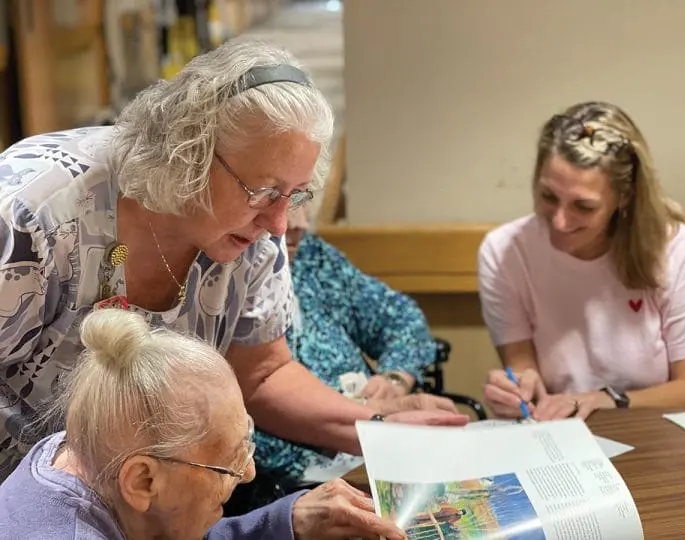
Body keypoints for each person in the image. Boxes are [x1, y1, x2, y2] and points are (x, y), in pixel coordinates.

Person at [0, 38, 466, 479]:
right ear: (189, 154)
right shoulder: (31, 215)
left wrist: (377, 426)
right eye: (264, 192)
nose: (281, 223)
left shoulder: (253, 234)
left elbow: (262, 373)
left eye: (295, 193)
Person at [0, 308, 408, 540]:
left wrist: (283, 523)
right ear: (142, 481)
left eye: (245, 444)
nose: (248, 473)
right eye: (226, 465)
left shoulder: (80, 451)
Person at [479, 100, 685, 421]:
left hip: (659, 436)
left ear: (625, 196)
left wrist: (610, 400)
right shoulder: (504, 252)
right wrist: (520, 389)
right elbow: (522, 365)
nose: (560, 221)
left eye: (584, 206)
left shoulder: (675, 248)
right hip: (561, 435)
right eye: (548, 196)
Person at [251, 205, 442, 482]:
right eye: (288, 201)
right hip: (297, 479)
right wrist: (371, 419)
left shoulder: (312, 257)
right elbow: (251, 402)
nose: (301, 224)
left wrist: (395, 379)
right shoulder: (227, 273)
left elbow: (402, 318)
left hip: (370, 443)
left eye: (305, 200)